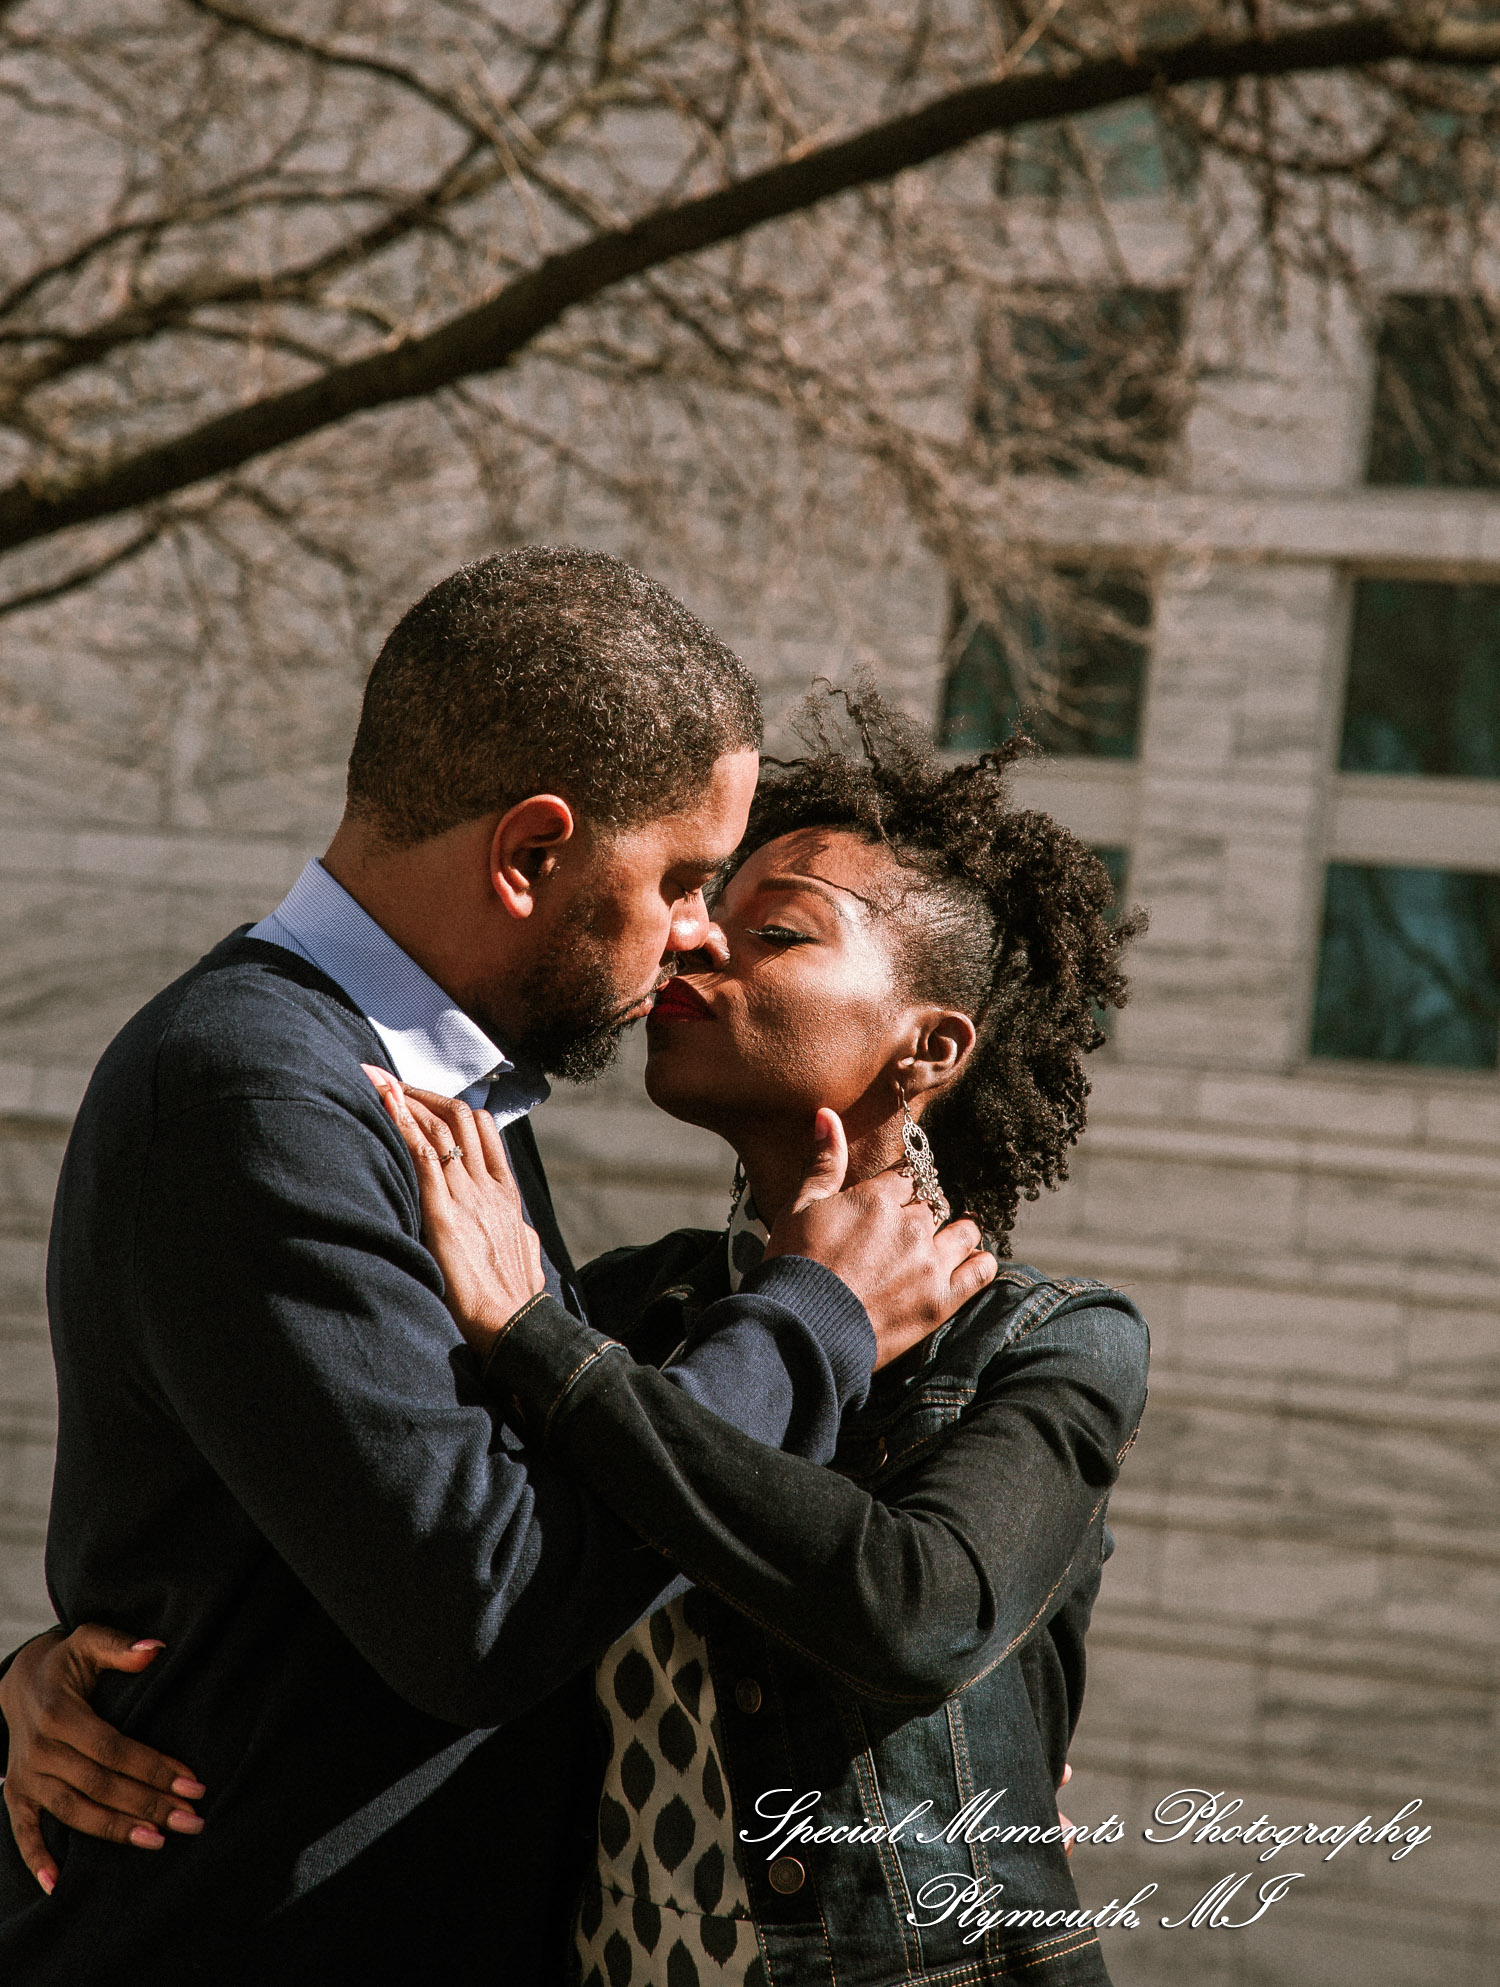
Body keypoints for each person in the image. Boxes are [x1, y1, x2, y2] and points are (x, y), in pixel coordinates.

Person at [4, 691, 1149, 1986]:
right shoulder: (637, 1304)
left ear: (929, 1047)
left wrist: (545, 1341)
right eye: (704, 896)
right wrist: (49, 1674)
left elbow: (913, 1607)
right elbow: (410, 1538)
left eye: (775, 930)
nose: (701, 940)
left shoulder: (1046, 1343)